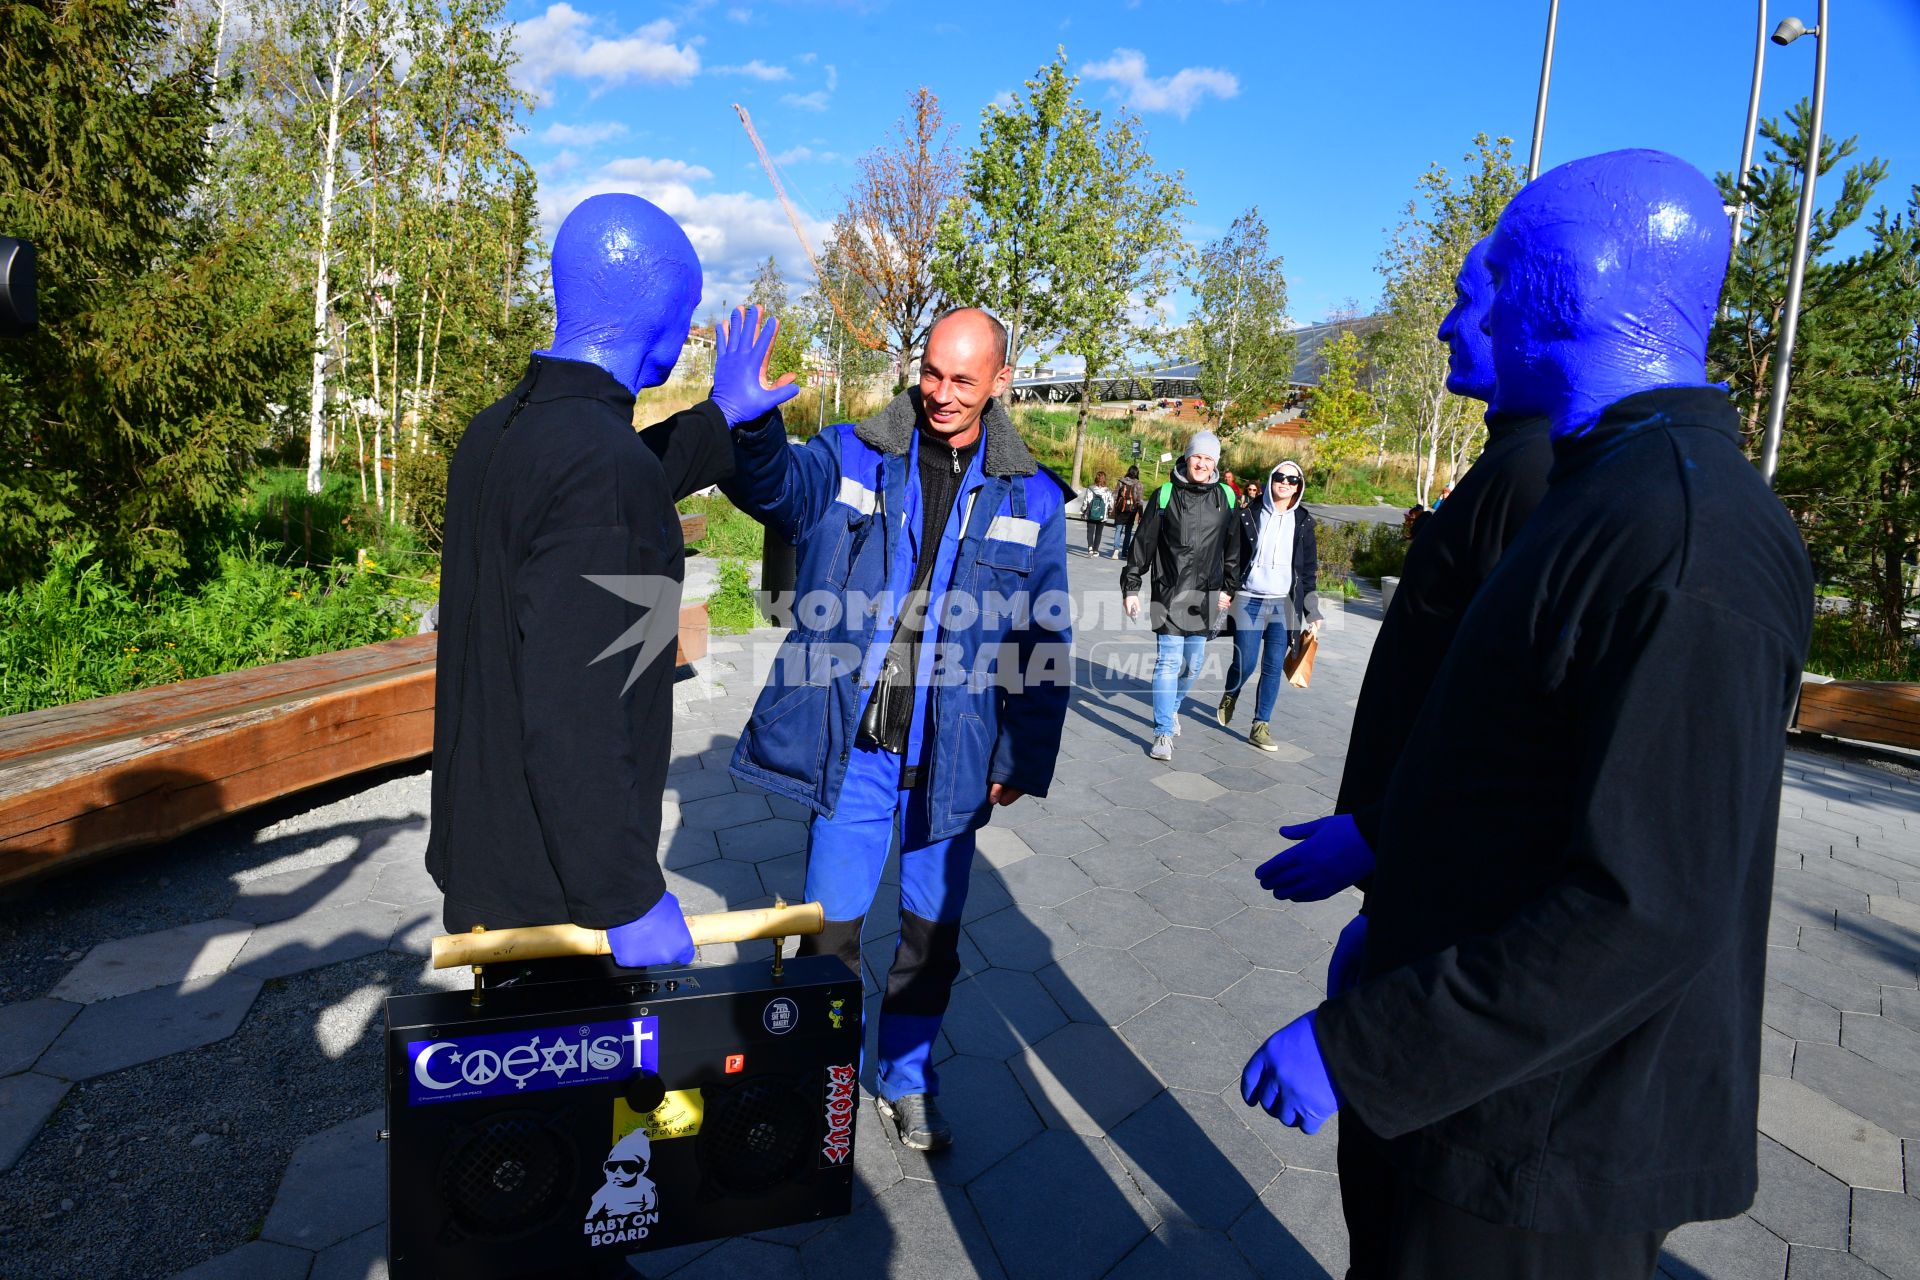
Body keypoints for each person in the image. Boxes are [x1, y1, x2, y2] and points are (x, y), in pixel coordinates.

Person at [1240, 150, 1813, 1279]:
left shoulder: (1688, 539)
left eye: (1491, 275)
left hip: (1542, 1146)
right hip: (1479, 1104)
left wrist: (1366, 1043)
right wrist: (1394, 873)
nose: (1466, 312)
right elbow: (1514, 769)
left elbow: (1642, 907)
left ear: (1575, 282)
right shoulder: (1603, 492)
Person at [1252, 234, 1557, 1273]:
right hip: (1409, 883)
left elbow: (1510, 740)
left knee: (1402, 1213)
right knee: (1374, 1214)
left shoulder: (1536, 479)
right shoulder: (1505, 463)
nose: (1444, 325)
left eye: (1469, 303)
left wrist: (1387, 845)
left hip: (1442, 915)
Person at [722, 307, 1071, 1154]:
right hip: (856, 753)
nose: (941, 393)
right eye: (931, 373)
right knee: (829, 933)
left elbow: (1043, 634)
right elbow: (774, 489)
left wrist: (1025, 752)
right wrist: (752, 423)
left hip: (951, 764)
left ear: (998, 383)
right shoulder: (853, 452)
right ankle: (821, 1074)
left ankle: (906, 1080)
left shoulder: (1035, 496)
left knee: (930, 941)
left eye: (962, 379)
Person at [425, 194, 790, 973]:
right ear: (660, 311)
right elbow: (576, 711)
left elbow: (611, 474)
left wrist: (720, 415)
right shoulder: (601, 466)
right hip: (557, 897)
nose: (690, 328)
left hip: (484, 844)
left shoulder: (499, 430)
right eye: (688, 310)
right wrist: (626, 896)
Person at [1122, 431, 1241, 761]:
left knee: (1193, 665)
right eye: (1197, 457)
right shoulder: (1165, 496)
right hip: (1169, 592)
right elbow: (1142, 545)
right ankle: (1161, 733)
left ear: (1215, 463)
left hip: (1207, 595)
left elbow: (1233, 549)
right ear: (1187, 458)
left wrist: (1229, 589)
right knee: (1169, 662)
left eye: (1208, 459)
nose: (1202, 463)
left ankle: (1172, 708)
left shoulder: (1227, 499)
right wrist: (1132, 587)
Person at [1217, 460, 1320, 751]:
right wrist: (1225, 590)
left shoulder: (1303, 521)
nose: (1286, 483)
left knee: (1273, 667)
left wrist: (1312, 610)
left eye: (1293, 480)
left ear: (1299, 487)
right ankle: (1232, 691)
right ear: (1270, 478)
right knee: (1245, 662)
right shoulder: (1247, 514)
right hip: (1249, 599)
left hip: (1283, 605)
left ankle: (1260, 725)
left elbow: (1308, 570)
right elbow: (1230, 556)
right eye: (1280, 477)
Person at [1112, 464, 1145, 559]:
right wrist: (1141, 514)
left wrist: (1115, 507)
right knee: (1128, 531)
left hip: (1120, 509)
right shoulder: (1138, 484)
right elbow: (1140, 501)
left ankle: (1116, 550)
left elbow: (1114, 495)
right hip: (1132, 510)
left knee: (1118, 530)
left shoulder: (1121, 481)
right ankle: (1125, 551)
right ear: (1136, 473)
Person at [1079, 470, 1114, 557]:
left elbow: (1086, 501)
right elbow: (1111, 503)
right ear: (1104, 479)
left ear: (1096, 478)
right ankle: (1096, 550)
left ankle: (1090, 548)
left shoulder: (1090, 489)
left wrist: (1082, 511)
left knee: (1090, 531)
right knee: (1099, 533)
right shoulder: (1108, 491)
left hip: (1090, 514)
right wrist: (1110, 510)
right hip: (1102, 515)